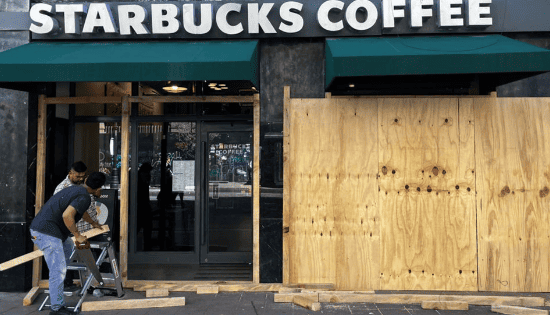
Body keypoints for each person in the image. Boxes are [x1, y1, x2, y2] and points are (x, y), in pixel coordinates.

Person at [30, 172, 106, 315]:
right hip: (46, 233)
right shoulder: (84, 197)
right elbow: (67, 215)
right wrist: (78, 236)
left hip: (47, 231)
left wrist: (93, 223)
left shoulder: (76, 189)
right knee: (58, 271)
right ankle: (57, 308)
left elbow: (80, 212)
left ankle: (57, 290)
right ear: (98, 189)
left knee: (68, 248)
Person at [54, 161, 98, 234]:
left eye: (83, 176)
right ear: (70, 173)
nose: (81, 179)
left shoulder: (85, 183)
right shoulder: (62, 189)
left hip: (91, 231)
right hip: (74, 235)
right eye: (78, 177)